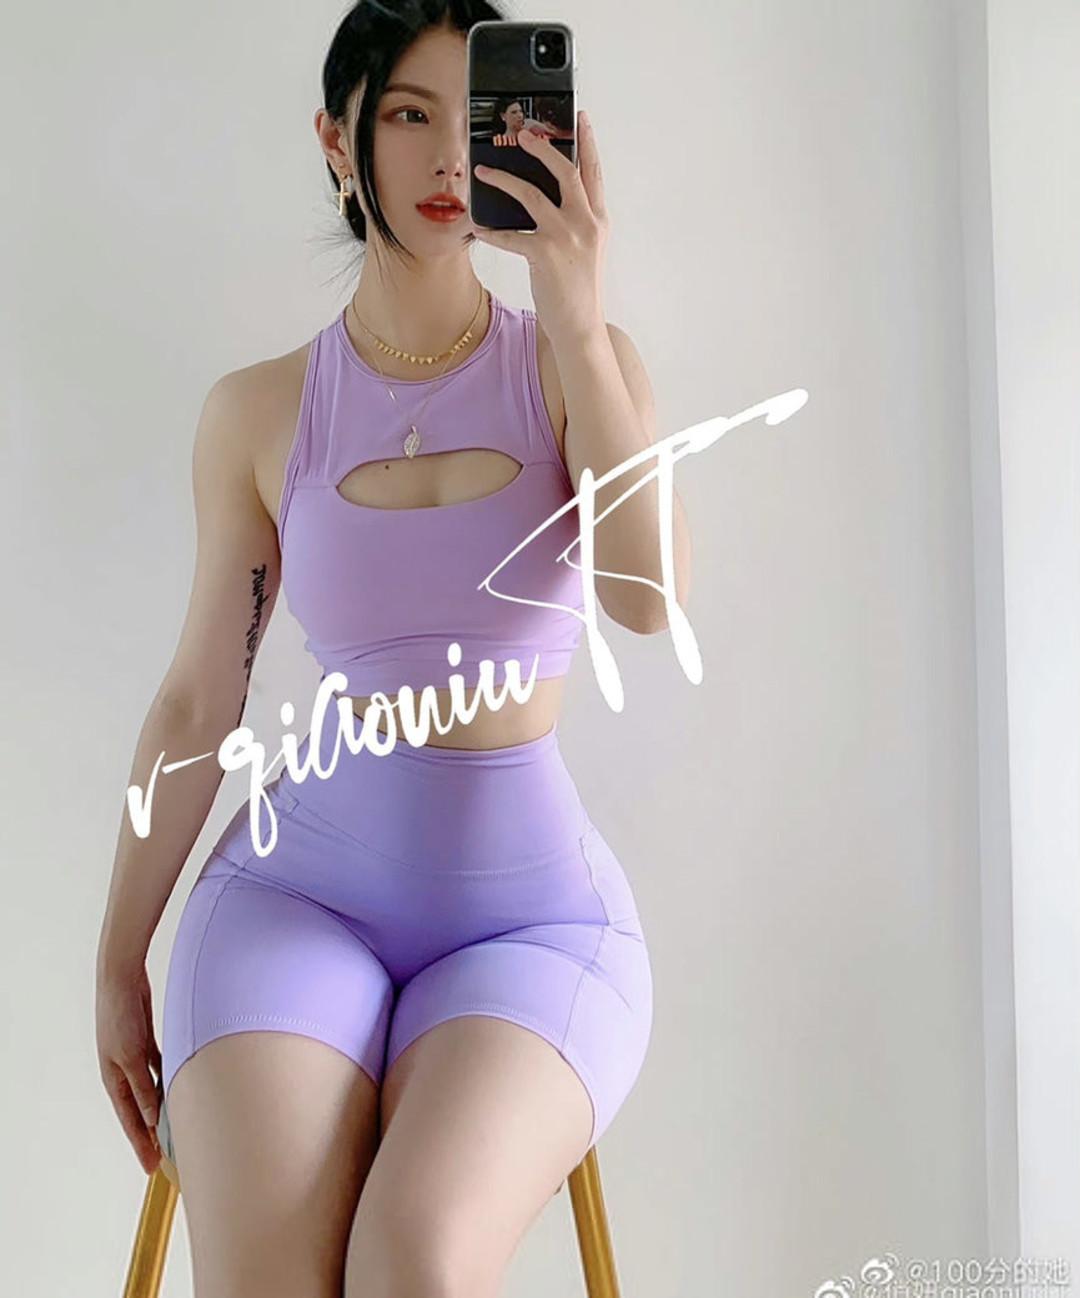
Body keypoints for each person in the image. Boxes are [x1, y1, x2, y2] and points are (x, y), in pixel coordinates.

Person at [95, 2, 691, 1295]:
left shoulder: (577, 366)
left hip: (533, 925)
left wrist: (574, 307)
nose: (446, 158)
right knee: (270, 1271)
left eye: (472, 120)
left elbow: (648, 599)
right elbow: (201, 698)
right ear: (338, 138)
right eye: (409, 116)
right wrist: (117, 955)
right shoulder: (260, 412)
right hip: (294, 901)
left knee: (413, 1259)